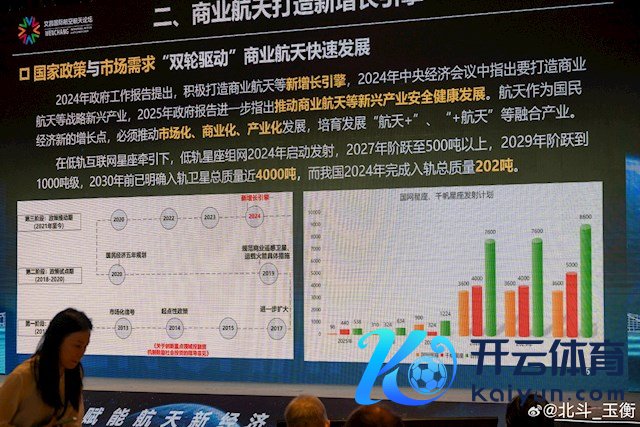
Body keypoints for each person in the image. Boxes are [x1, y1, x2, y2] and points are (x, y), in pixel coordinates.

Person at [0, 308, 92, 427]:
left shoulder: (73, 373)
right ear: (57, 341)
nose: (81, 353)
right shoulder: (22, 377)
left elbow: (73, 419)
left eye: (85, 347)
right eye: (77, 346)